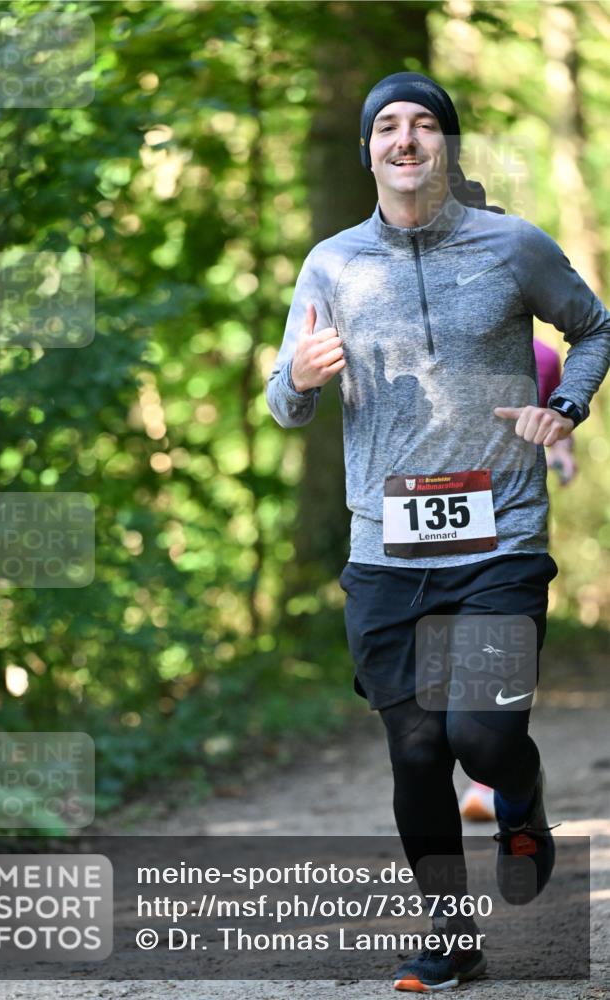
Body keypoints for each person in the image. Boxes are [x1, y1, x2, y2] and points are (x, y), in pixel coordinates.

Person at [266, 69, 610, 992]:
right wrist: (298, 378)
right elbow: (283, 405)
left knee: (482, 736)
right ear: (368, 149)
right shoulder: (331, 265)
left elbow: (594, 328)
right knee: (416, 752)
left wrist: (564, 407)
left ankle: (518, 796)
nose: (405, 138)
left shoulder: (512, 246)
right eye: (387, 125)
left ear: (446, 147)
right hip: (386, 553)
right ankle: (451, 939)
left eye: (423, 123)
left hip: (499, 539)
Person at [459, 337, 578, 823]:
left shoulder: (543, 357)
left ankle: (487, 780)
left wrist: (562, 453)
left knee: (489, 656)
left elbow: (557, 420)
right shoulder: (417, 336)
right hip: (422, 534)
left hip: (504, 528)